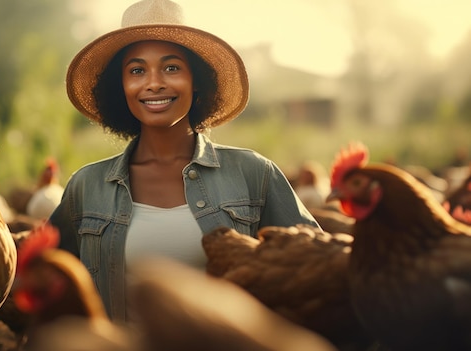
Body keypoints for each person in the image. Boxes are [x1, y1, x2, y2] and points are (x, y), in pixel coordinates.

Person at [49, 0, 320, 321]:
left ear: (198, 80)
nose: (154, 82)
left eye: (171, 67)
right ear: (119, 87)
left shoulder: (254, 174)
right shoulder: (87, 187)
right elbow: (48, 289)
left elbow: (316, 271)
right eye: (137, 70)